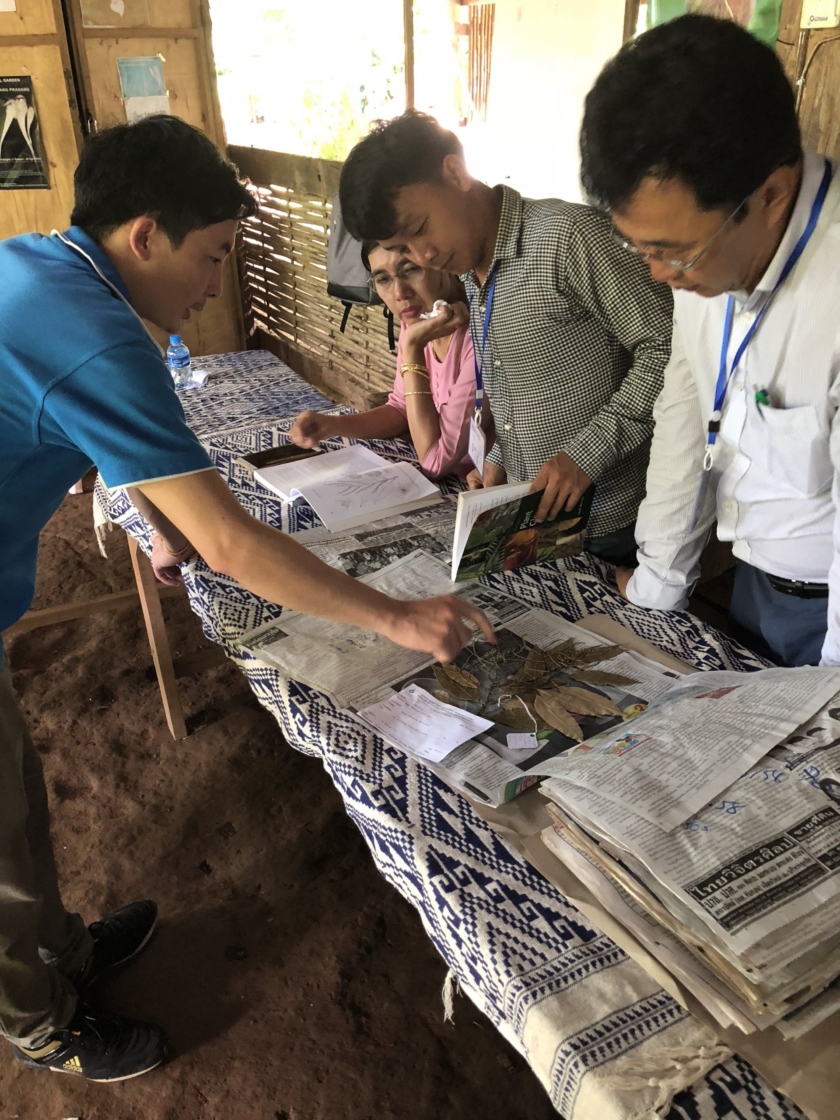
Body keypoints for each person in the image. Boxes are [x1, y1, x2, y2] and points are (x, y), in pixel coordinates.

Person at [0, 115, 493, 1083]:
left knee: (13, 793)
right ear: (146, 235)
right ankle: (37, 1019)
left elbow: (106, 439)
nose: (217, 282)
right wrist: (397, 617)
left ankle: (60, 946)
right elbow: (232, 540)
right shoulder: (98, 336)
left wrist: (161, 524)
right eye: (215, 253)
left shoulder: (43, 269)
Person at [580, 14, 840, 667]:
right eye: (637, 247)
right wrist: (655, 592)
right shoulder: (708, 258)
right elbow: (686, 415)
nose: (658, 274)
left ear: (772, 196)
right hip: (757, 583)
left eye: (673, 251)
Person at [338, 110, 673, 567]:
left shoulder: (567, 237)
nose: (425, 255)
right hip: (532, 517)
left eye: (418, 231)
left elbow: (668, 348)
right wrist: (496, 454)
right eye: (403, 249)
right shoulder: (473, 276)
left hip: (609, 520)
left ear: (455, 172)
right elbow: (517, 390)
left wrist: (586, 454)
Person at [290, 242, 494, 484]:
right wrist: (332, 425)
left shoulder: (481, 338)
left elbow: (435, 461)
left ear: (443, 266)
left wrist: (412, 347)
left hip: (487, 485)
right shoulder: (420, 321)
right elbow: (401, 408)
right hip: (453, 478)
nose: (400, 293)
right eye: (384, 279)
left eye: (410, 270)